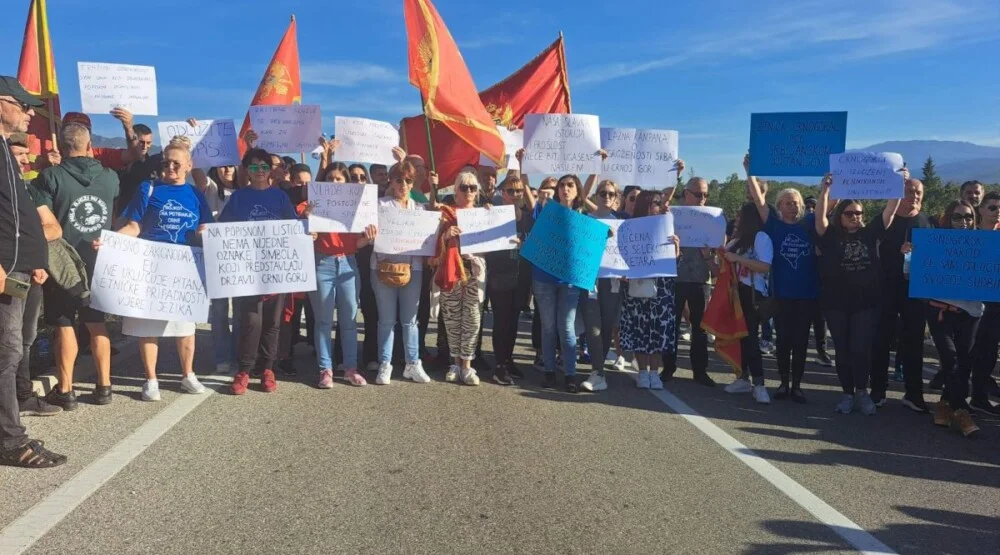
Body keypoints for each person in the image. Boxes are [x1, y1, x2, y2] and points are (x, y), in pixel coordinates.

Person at [0, 75, 67, 467]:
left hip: (20, 269)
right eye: (23, 105)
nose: (29, 113)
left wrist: (34, 260)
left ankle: (10, 435)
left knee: (9, 352)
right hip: (6, 271)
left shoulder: (6, 151)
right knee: (6, 353)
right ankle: (10, 441)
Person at [114, 144, 212, 401]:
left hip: (186, 267)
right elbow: (134, 226)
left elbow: (205, 226)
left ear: (189, 165)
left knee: (185, 326)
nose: (169, 167)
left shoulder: (195, 193)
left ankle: (188, 375)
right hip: (150, 265)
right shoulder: (148, 189)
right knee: (149, 326)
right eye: (166, 162)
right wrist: (112, 241)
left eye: (176, 163)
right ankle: (151, 380)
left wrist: (204, 234)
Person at [33, 122, 120, 409]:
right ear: (89, 145)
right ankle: (105, 386)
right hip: (99, 261)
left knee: (64, 325)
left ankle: (66, 390)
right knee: (97, 324)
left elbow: (40, 212)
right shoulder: (109, 177)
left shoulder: (50, 177)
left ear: (63, 147)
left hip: (63, 264)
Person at [814, 174, 900, 415]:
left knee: (861, 349)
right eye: (850, 213)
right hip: (836, 303)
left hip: (866, 304)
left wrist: (898, 184)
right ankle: (847, 394)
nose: (855, 218)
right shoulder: (830, 235)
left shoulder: (871, 232)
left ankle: (862, 392)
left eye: (859, 213)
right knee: (842, 349)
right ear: (840, 216)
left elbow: (890, 210)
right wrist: (825, 191)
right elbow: (819, 218)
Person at [218, 147, 299, 395]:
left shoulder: (280, 198)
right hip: (247, 270)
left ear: (270, 170)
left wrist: (308, 231)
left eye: (264, 167)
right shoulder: (239, 198)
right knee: (251, 320)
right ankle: (244, 369)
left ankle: (267, 369)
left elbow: (293, 227)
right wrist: (208, 232)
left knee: (273, 323)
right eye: (254, 167)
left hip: (276, 268)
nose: (260, 172)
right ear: (247, 171)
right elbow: (223, 228)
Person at [746, 155, 817, 403]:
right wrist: (750, 171)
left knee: (800, 343)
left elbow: (830, 207)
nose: (792, 206)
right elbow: (758, 200)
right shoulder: (774, 226)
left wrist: (832, 184)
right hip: (781, 294)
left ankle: (797, 385)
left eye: (795, 202)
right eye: (786, 202)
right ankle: (783, 383)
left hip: (807, 295)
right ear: (780, 205)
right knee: (783, 340)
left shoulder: (810, 223)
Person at [299, 180, 376, 390]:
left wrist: (368, 239)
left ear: (345, 182)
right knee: (323, 321)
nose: (335, 182)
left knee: (349, 319)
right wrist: (307, 222)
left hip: (348, 262)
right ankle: (325, 369)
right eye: (331, 178)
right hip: (322, 263)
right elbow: (300, 226)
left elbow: (357, 243)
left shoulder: (355, 207)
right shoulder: (312, 204)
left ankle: (350, 368)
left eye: (340, 179)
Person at [920, 200, 983, 437]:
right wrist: (910, 255)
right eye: (957, 217)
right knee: (951, 358)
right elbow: (913, 274)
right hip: (941, 311)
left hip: (971, 313)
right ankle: (961, 411)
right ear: (948, 218)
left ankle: (945, 406)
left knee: (963, 363)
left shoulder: (984, 243)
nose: (963, 222)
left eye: (968, 217)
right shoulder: (934, 242)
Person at [871, 178, 934, 411]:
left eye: (918, 192)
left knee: (914, 343)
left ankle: (914, 393)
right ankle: (878, 390)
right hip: (886, 289)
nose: (914, 196)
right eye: (909, 191)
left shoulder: (929, 222)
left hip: (916, 293)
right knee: (881, 341)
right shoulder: (887, 220)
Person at [370, 161, 430, 386]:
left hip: (413, 269)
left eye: (408, 180)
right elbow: (370, 231)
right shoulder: (379, 206)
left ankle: (412, 363)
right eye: (399, 180)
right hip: (382, 268)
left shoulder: (421, 210)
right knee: (386, 320)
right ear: (391, 181)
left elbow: (427, 239)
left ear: (413, 183)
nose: (403, 184)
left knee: (410, 320)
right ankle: (385, 363)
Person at [618, 190, 679, 390]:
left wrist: (676, 250)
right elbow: (621, 255)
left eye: (660, 202)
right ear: (645, 204)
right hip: (637, 286)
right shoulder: (628, 228)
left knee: (658, 330)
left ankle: (655, 373)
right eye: (655, 202)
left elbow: (672, 261)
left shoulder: (665, 226)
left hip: (662, 288)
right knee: (640, 329)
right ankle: (642, 372)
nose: (658, 206)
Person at [433, 171, 488, 386]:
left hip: (475, 272)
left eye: (473, 187)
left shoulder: (484, 214)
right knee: (452, 318)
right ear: (455, 191)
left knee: (472, 320)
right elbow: (431, 245)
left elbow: (497, 241)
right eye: (464, 187)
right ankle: (455, 363)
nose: (469, 191)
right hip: (451, 272)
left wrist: (492, 218)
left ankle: (467, 365)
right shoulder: (445, 214)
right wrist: (446, 235)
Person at [662, 177, 718, 387]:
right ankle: (668, 367)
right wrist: (674, 175)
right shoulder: (673, 215)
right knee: (672, 326)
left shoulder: (712, 217)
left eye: (705, 194)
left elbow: (719, 249)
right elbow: (663, 202)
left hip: (701, 280)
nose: (703, 199)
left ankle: (700, 371)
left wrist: (709, 254)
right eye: (698, 194)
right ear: (686, 194)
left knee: (700, 328)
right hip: (675, 278)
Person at [484, 174, 535, 385]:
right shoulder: (491, 213)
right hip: (499, 274)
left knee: (514, 321)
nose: (514, 195)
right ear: (502, 193)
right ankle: (499, 365)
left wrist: (525, 243)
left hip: (521, 275)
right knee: (501, 321)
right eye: (510, 191)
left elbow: (535, 244)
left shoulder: (528, 218)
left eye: (518, 191)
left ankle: (508, 358)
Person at [722, 202, 774, 404]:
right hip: (734, 292)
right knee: (739, 338)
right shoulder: (737, 239)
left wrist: (737, 258)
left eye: (740, 215)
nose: (737, 218)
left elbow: (764, 266)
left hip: (751, 293)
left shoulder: (761, 238)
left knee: (750, 337)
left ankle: (759, 384)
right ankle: (742, 377)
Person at [193, 165, 238, 374]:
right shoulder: (210, 188)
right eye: (222, 165)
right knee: (219, 311)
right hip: (216, 258)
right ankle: (223, 357)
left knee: (240, 310)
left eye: (231, 164)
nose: (227, 169)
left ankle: (240, 353)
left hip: (241, 260)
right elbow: (198, 176)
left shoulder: (244, 190)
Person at [969, 191, 1000, 416]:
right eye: (992, 207)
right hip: (971, 303)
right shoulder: (967, 236)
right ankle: (956, 399)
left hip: (997, 304)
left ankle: (980, 396)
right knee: (970, 352)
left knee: (989, 353)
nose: (997, 211)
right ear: (980, 210)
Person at [803, 195, 832, 367]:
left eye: (814, 206)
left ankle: (822, 352)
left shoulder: (828, 227)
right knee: (801, 320)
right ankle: (797, 348)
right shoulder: (802, 225)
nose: (811, 209)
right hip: (804, 281)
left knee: (821, 321)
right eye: (808, 206)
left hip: (822, 282)